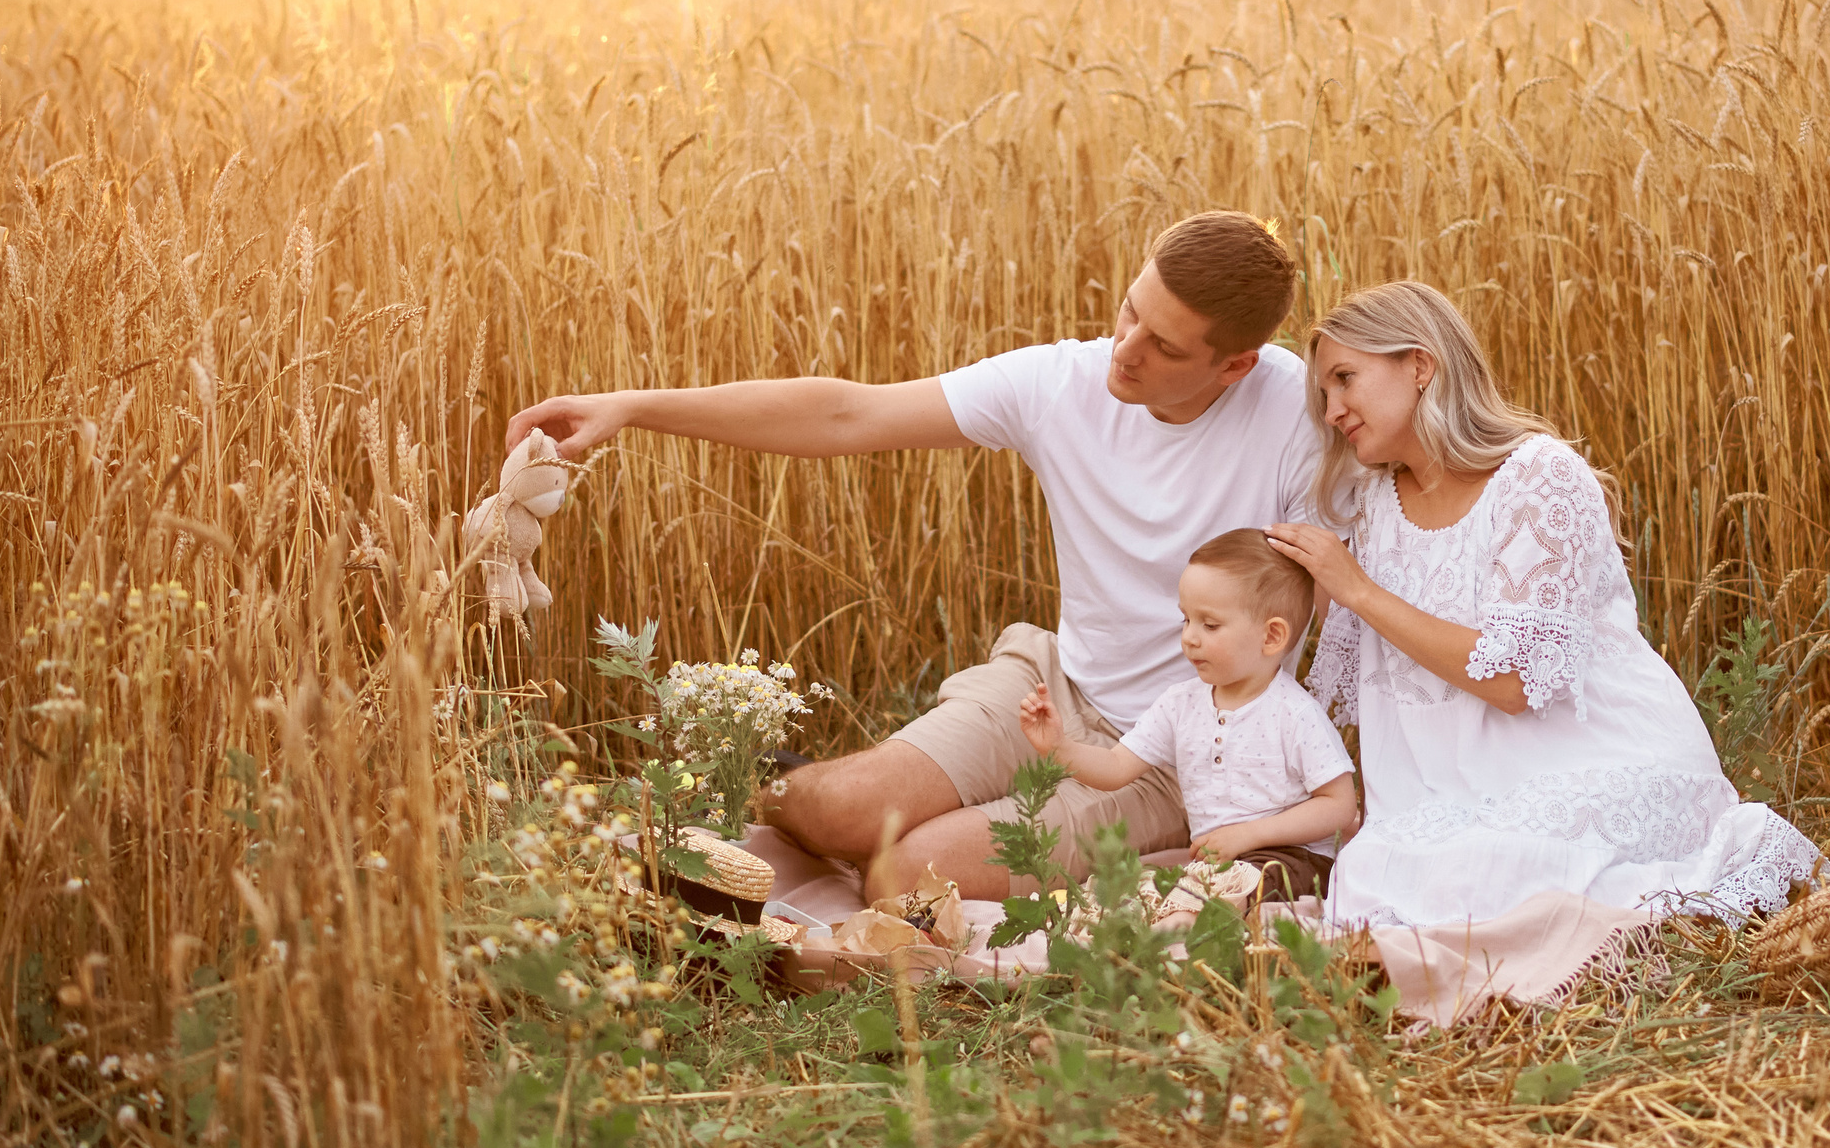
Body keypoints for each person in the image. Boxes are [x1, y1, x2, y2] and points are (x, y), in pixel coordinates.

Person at [505, 211, 1321, 901]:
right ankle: (719, 818)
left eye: (1165, 346)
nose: (1125, 349)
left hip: (1179, 750)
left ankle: (1196, 863)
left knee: (905, 874)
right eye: (1129, 311)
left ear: (1235, 364)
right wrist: (635, 406)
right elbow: (846, 416)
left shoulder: (1298, 412)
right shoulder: (1058, 384)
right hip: (1050, 684)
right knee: (835, 807)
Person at [1263, 281, 1822, 931]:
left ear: (1419, 364)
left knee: (1498, 872)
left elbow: (1512, 682)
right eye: (1323, 394)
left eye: (1344, 379)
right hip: (1446, 792)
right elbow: (1365, 663)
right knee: (1378, 877)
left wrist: (1357, 585)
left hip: (1591, 761)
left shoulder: (1537, 475)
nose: (1332, 410)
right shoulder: (1375, 506)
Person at [1017, 529, 1358, 901]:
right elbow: (1116, 767)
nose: (1190, 638)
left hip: (1291, 860)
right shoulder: (1180, 704)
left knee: (1213, 898)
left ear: (1271, 636)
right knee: (1143, 897)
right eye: (1186, 620)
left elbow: (1340, 806)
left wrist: (1249, 834)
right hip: (1215, 866)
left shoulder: (1294, 714)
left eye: (1209, 625)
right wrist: (1060, 747)